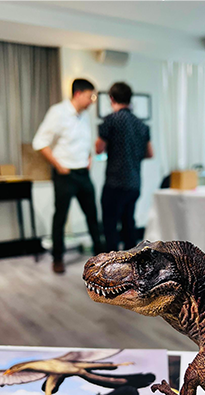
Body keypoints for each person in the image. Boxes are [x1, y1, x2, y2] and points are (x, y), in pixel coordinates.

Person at [32, 78, 103, 274]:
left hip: (83, 173)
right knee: (60, 217)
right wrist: (58, 166)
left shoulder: (84, 116)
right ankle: (57, 258)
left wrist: (89, 157)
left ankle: (102, 257)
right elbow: (39, 142)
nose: (92, 101)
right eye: (91, 96)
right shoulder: (58, 113)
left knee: (92, 215)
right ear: (78, 94)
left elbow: (84, 140)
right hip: (65, 174)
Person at [95, 82, 153, 252]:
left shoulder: (111, 120)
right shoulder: (141, 125)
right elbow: (150, 153)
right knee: (129, 223)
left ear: (111, 98)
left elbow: (99, 148)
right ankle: (132, 264)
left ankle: (112, 267)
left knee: (110, 225)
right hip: (134, 182)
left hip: (114, 182)